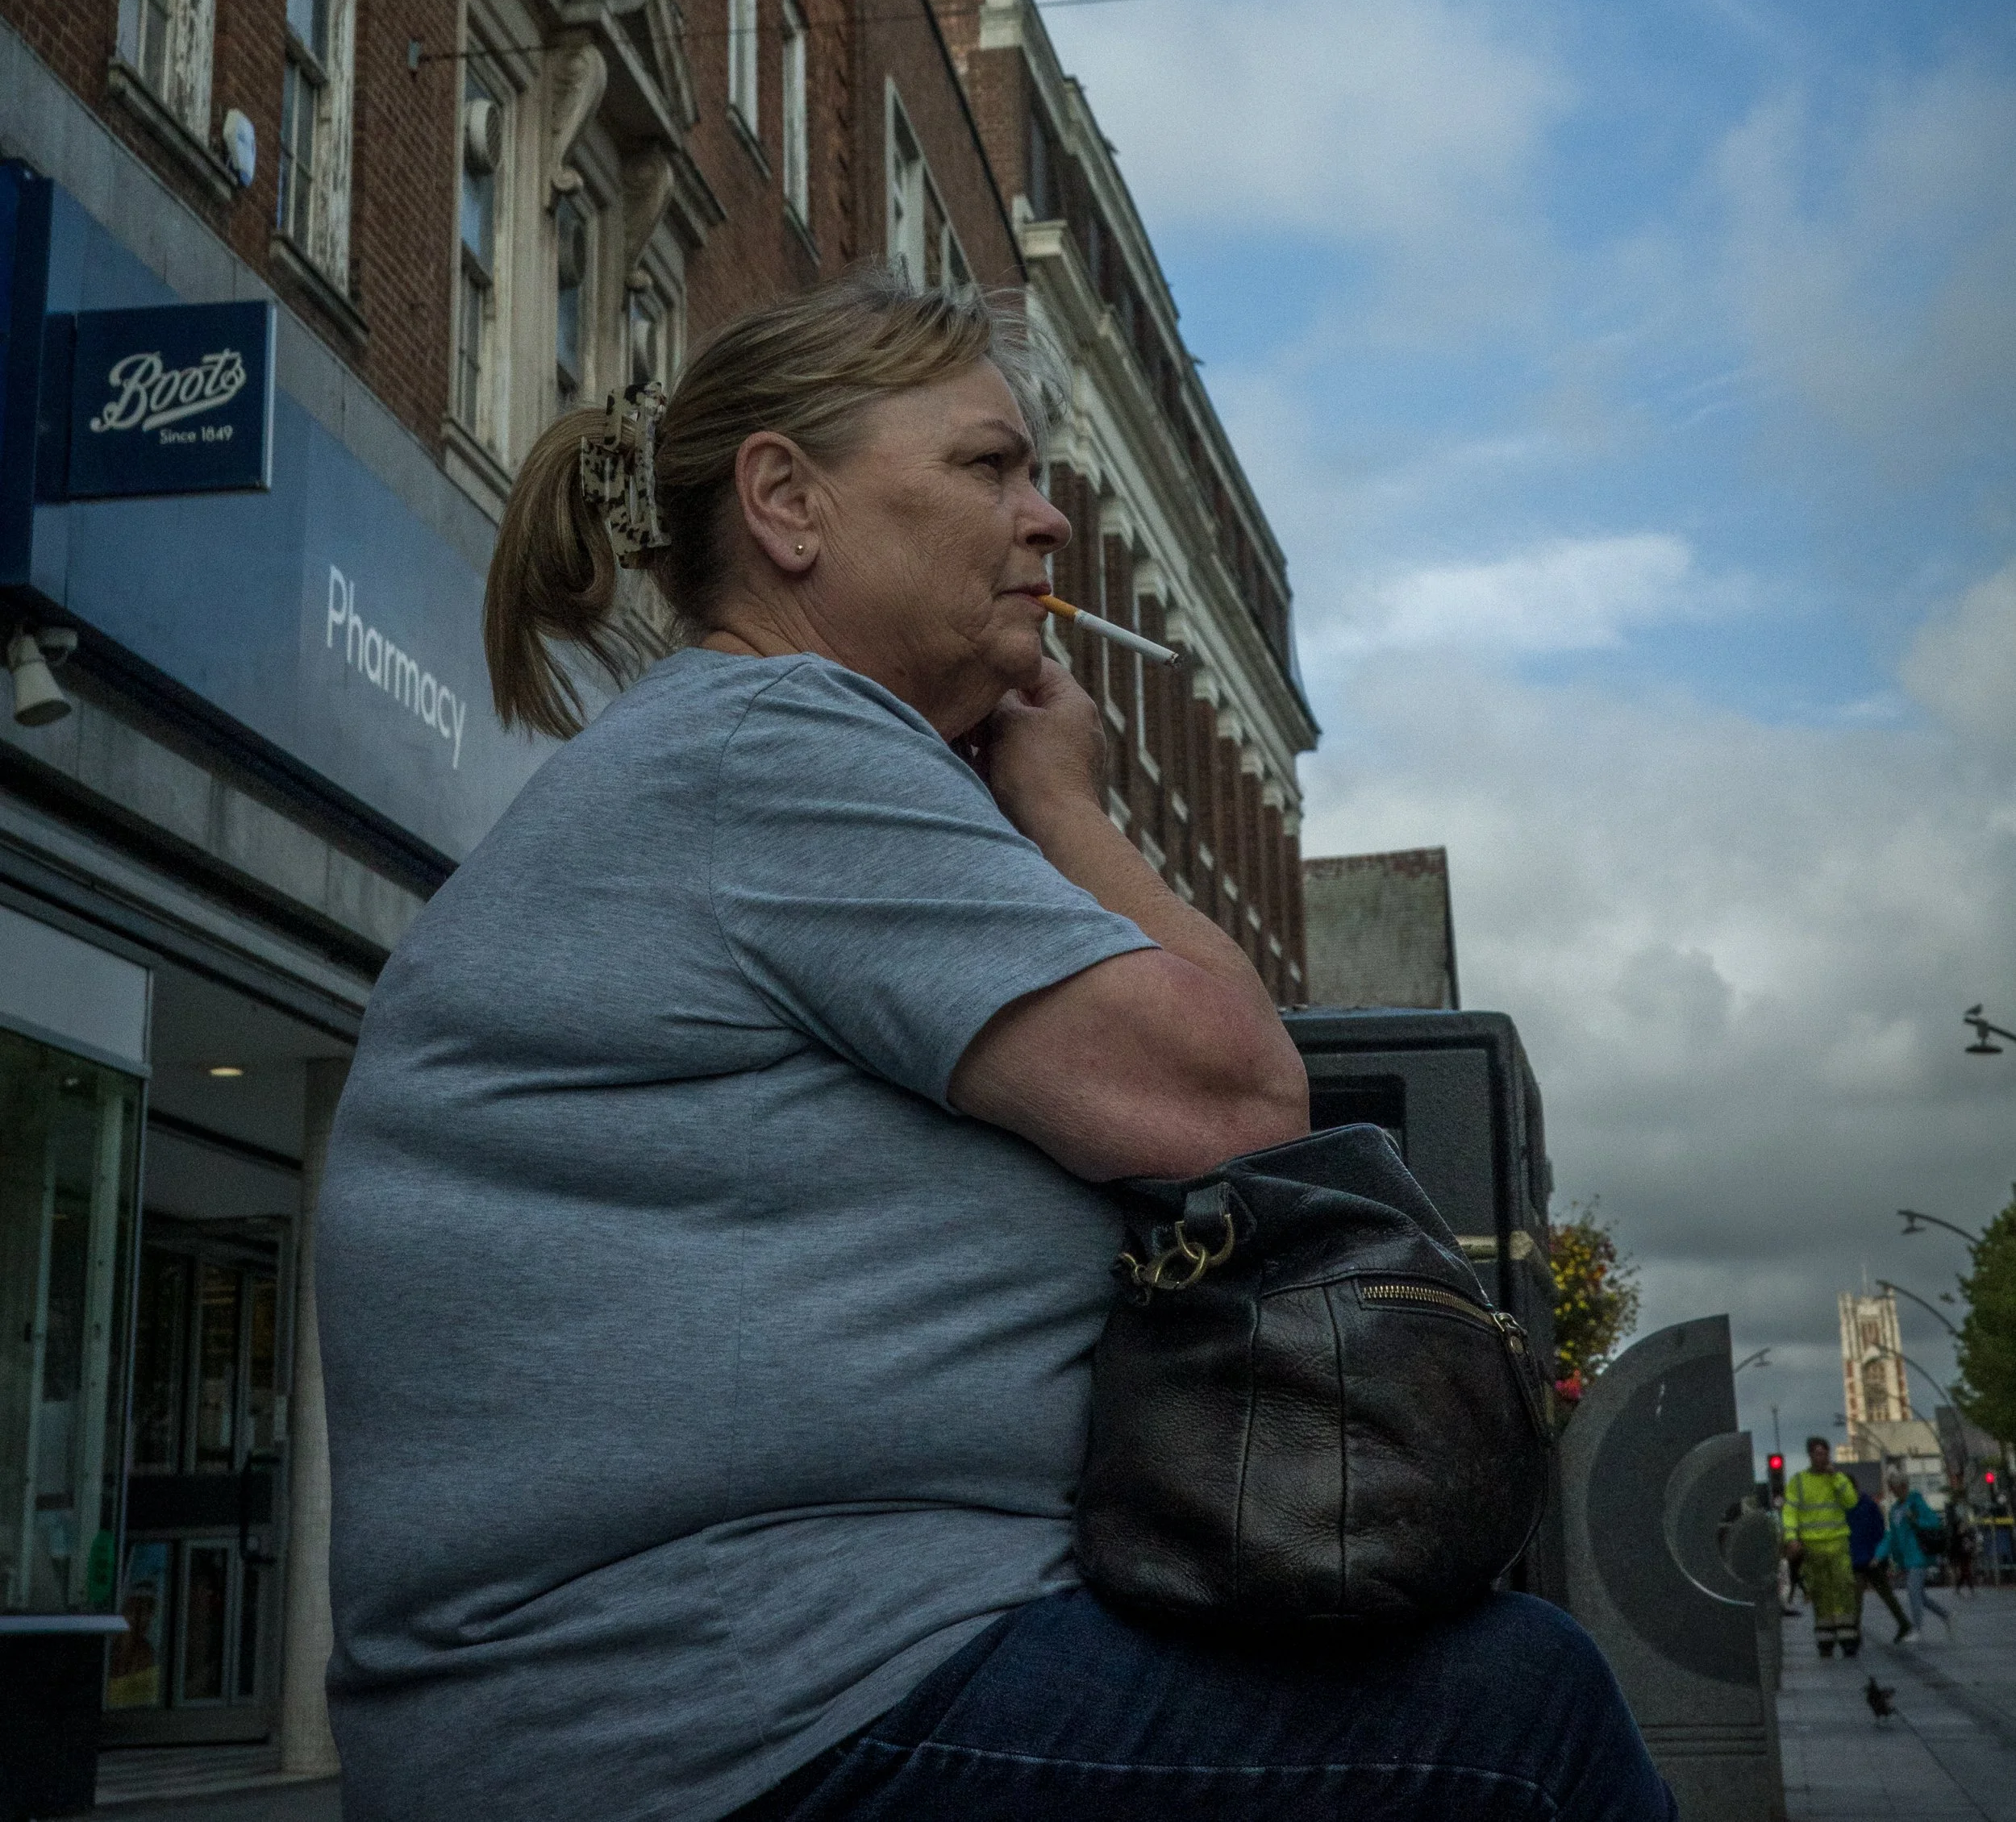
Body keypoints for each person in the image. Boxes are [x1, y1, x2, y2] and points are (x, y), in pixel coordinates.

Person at [317, 270, 1674, 1822]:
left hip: (707, 1692)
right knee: (1518, 1726)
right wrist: (1063, 805)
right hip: (721, 1720)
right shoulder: (776, 742)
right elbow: (1234, 1090)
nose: (1047, 522)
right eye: (989, 467)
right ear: (788, 503)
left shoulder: (750, 752)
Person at [1781, 1437, 1859, 1657]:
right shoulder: (1798, 1482)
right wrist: (1791, 1537)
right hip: (1813, 1547)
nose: (1821, 1457)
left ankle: (1848, 1638)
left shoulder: (1838, 1478)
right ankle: (1825, 1639)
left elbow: (1851, 1502)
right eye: (1817, 1453)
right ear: (1810, 1455)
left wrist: (1837, 1479)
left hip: (1838, 1544)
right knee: (1821, 1592)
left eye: (1824, 1452)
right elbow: (1790, 1512)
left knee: (1843, 1587)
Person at [1882, 1466, 1955, 1637]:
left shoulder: (1916, 1502)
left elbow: (1933, 1522)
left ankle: (1917, 1629)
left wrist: (1916, 1520)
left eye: (1895, 1487)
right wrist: (1894, 1559)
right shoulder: (1894, 1510)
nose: (1893, 1491)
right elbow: (1893, 1536)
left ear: (1903, 1486)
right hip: (1907, 1557)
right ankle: (1946, 1616)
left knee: (1913, 1591)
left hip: (1919, 1555)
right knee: (1919, 1595)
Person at [1848, 1479, 1910, 1646]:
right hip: (1862, 1557)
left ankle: (1855, 1633)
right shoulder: (1866, 1505)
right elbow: (1880, 1530)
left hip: (1867, 1558)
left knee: (1867, 1597)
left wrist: (1878, 1555)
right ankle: (1854, 1632)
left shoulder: (1862, 1506)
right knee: (1862, 1598)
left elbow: (1879, 1531)